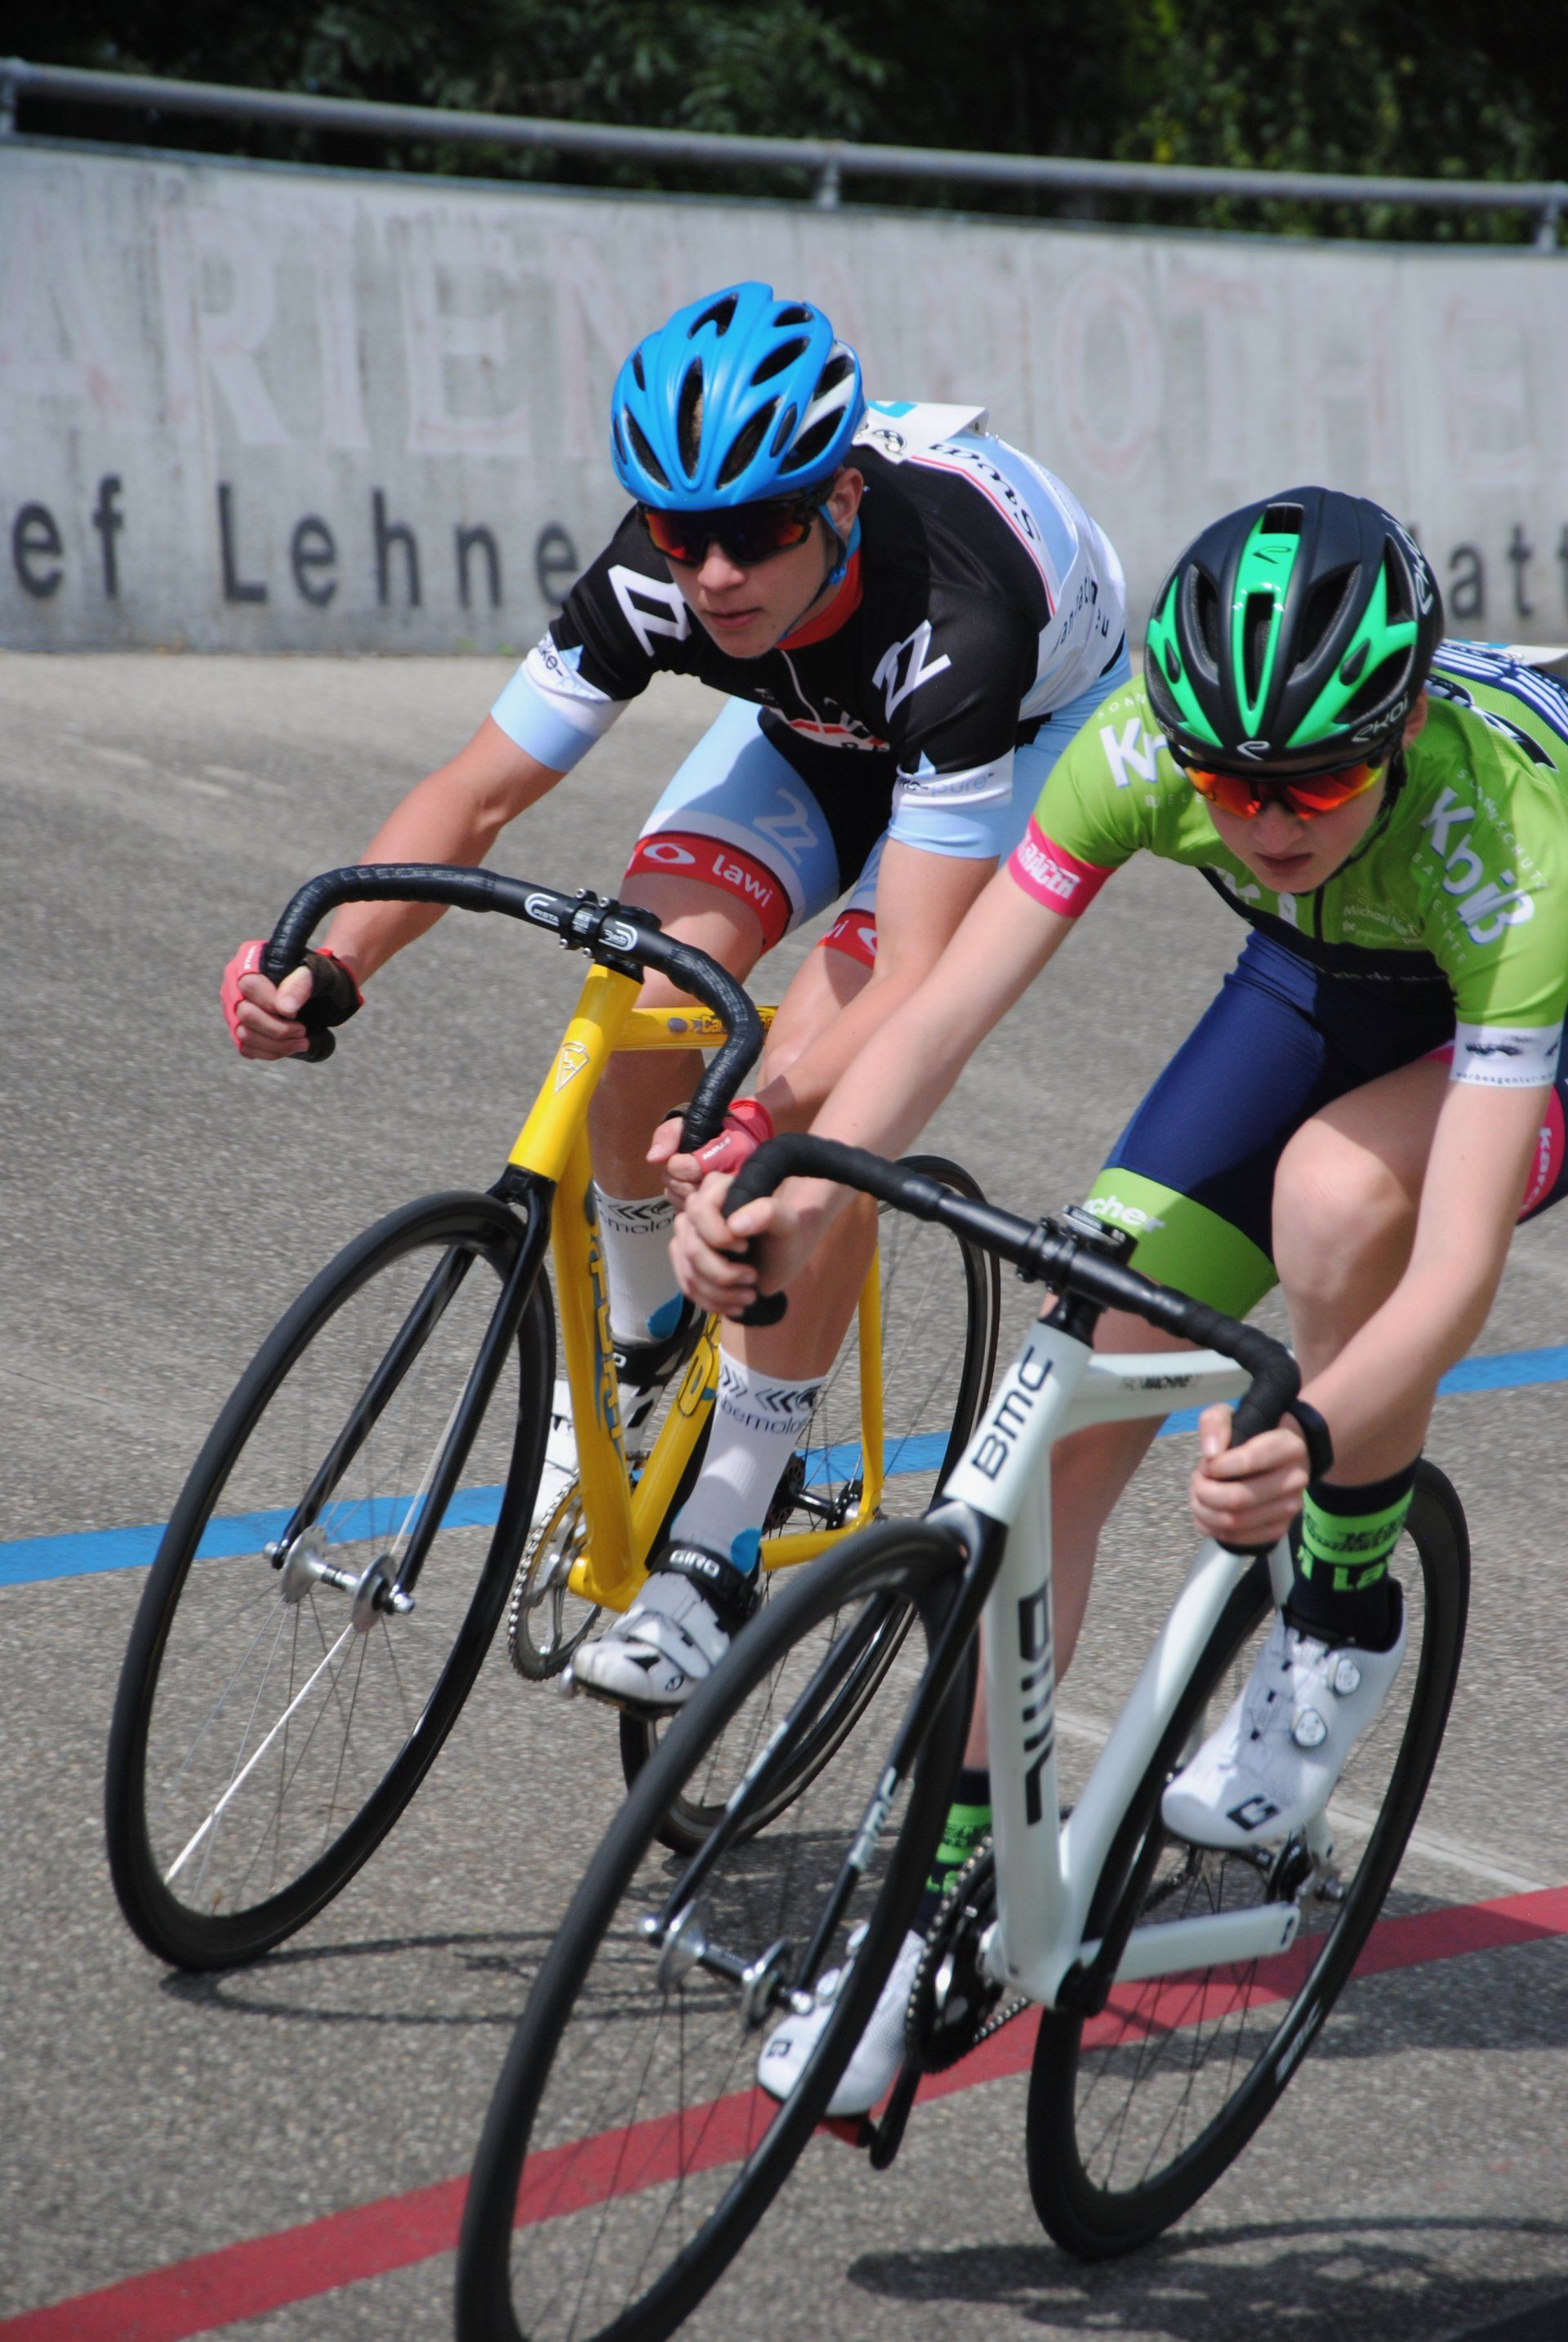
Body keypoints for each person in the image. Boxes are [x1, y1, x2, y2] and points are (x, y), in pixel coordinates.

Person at [673, 483, 1568, 2113]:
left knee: (1334, 1206)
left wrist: (1313, 1426)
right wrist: (785, 1191)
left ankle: (1344, 1604)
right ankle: (932, 1915)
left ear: (1403, 724)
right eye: (1230, 782)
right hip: (1319, 974)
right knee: (1067, 1397)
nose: (1266, 816)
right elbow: (943, 1012)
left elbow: (1452, 1269)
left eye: (1315, 779)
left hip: (1515, 989)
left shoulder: (1503, 840)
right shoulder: (1145, 751)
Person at [221, 278, 1129, 1710]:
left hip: (1013, 731)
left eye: (759, 527)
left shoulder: (961, 607)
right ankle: (650, 1325)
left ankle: (722, 1530)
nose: (712, 573)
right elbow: (478, 794)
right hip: (812, 722)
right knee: (637, 999)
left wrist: (766, 1116)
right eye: (680, 530)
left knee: (813, 1130)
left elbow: (916, 976)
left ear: (835, 495)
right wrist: (330, 963)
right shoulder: (666, 569)